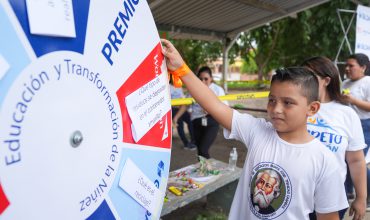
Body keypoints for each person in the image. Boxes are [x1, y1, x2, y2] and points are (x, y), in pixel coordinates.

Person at [161, 39, 347, 220]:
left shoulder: (325, 161)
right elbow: (214, 105)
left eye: (288, 103)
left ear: (312, 108)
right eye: (272, 100)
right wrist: (181, 69)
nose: (276, 109)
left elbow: (328, 216)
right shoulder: (257, 131)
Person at [302, 56, 367, 220]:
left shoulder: (347, 114)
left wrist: (361, 198)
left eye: (309, 76)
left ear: (326, 80)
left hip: (332, 197)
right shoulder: (297, 107)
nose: (303, 81)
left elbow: (356, 161)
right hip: (297, 192)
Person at [173, 66, 227, 159]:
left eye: (206, 79)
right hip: (196, 121)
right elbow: (186, 105)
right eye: (200, 79)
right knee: (199, 151)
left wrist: (211, 109)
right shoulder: (193, 89)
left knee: (203, 149)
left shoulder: (218, 90)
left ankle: (209, 170)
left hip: (211, 121)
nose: (203, 81)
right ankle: (203, 170)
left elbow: (225, 107)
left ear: (211, 79)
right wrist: (176, 117)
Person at [342, 53, 370, 208]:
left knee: (357, 161)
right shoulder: (345, 83)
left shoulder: (367, 82)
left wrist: (352, 100)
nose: (347, 68)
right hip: (347, 124)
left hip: (364, 124)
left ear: (363, 67)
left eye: (351, 66)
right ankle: (348, 192)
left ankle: (367, 192)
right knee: (345, 159)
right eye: (346, 65)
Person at [170, 83, 197, 150]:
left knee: (190, 121)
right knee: (180, 124)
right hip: (173, 108)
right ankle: (186, 144)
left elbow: (182, 98)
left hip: (181, 108)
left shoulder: (179, 86)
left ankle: (193, 141)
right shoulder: (168, 86)